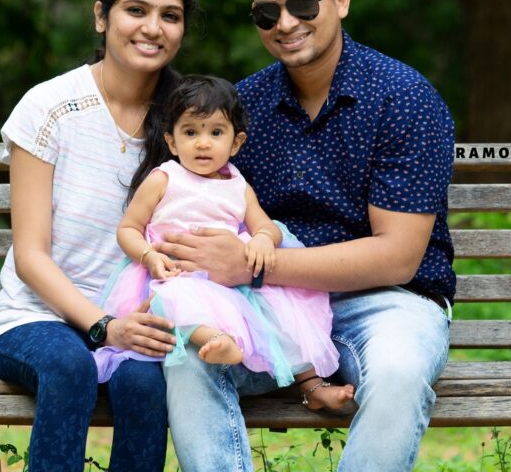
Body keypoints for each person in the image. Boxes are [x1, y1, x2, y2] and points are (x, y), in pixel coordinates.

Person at [157, 0, 456, 471]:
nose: (286, 24)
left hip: (385, 301)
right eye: (267, 14)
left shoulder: (404, 98)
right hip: (268, 306)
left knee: (398, 372)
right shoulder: (241, 108)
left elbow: (398, 256)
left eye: (301, 4)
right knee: (190, 358)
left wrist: (252, 269)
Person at [0, 0, 194, 472]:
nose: (153, 28)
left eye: (171, 15)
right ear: (102, 16)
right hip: (34, 320)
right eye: (136, 10)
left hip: (137, 323)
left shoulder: (186, 121)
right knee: (71, 364)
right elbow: (31, 257)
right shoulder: (50, 106)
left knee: (147, 380)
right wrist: (103, 326)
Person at [93, 75, 355, 413]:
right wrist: (148, 256)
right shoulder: (164, 178)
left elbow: (266, 226)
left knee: (283, 313)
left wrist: (262, 239)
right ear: (172, 141)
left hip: (231, 282)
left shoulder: (238, 185)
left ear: (235, 142)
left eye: (215, 132)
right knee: (172, 299)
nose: (203, 143)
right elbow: (128, 228)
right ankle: (216, 339)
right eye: (191, 132)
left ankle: (313, 386)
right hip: (173, 272)